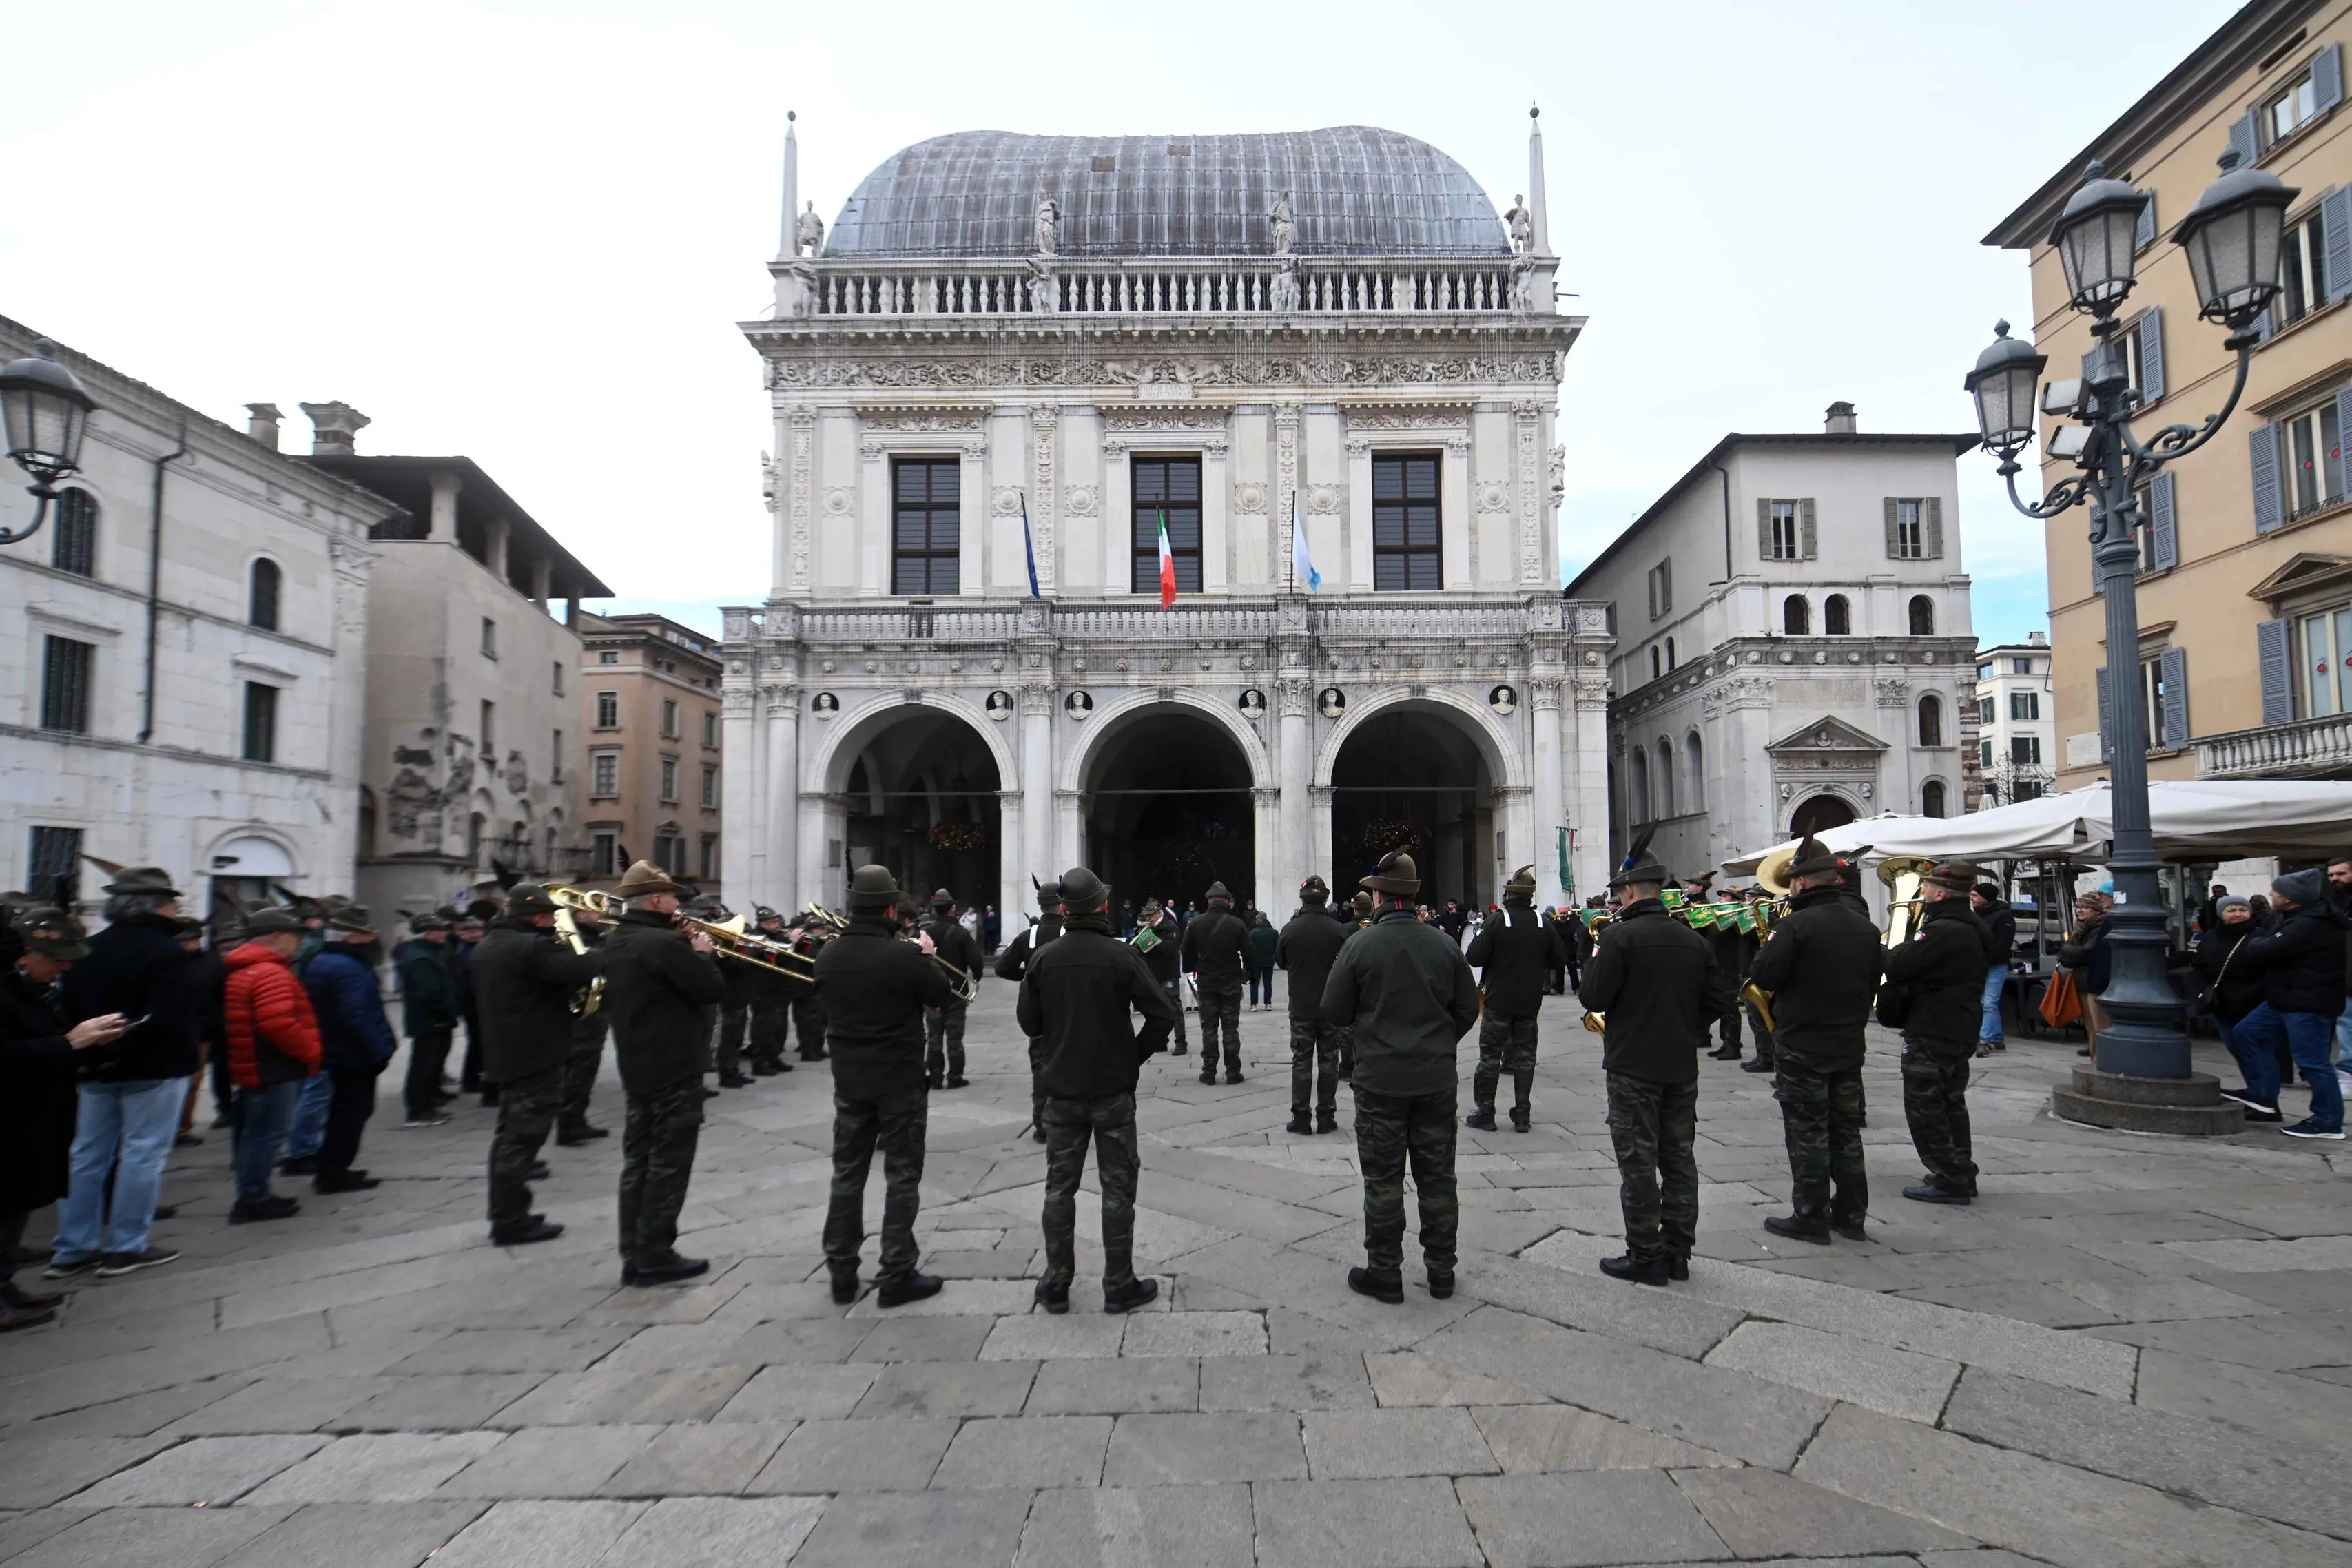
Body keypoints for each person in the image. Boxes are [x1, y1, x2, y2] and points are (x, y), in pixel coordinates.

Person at [1321, 852, 1482, 1306]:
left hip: (1380, 1083)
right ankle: (1442, 1272)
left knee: (1384, 1181)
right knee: (1438, 1178)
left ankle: (1385, 1273)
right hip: (1434, 1080)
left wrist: (1370, 1035)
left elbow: (1334, 1011)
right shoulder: (1443, 944)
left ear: (1377, 896)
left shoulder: (1360, 945)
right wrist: (1440, 1042)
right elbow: (1469, 1009)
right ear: (1411, 897)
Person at [1018, 865, 1175, 1314]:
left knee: (1058, 1188)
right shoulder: (1121, 957)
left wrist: (1057, 1040)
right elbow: (1162, 1014)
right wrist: (1133, 1055)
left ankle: (1056, 1283)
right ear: (1103, 906)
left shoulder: (1044, 958)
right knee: (1117, 1189)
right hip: (1111, 1092)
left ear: (1064, 909)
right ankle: (1118, 1284)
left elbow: (1029, 1022)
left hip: (1061, 1092)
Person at [1578, 843, 1729, 1285]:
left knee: (1638, 1163)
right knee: (1679, 1158)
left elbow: (1593, 997)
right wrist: (1685, 1025)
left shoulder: (1619, 937)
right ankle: (1678, 1252)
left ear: (1627, 893)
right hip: (1680, 1065)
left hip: (1632, 1065)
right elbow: (1720, 999)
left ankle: (1645, 1254)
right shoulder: (1693, 939)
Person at [50, 867, 198, 1281]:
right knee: (142, 1156)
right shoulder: (166, 952)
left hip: (94, 1067)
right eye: (172, 903)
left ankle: (72, 1248)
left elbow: (68, 1010)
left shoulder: (87, 948)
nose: (176, 911)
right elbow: (166, 1016)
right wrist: (122, 1047)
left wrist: (96, 1052)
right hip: (153, 1067)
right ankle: (125, 1246)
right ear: (154, 907)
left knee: (86, 1157)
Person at [817, 865, 953, 1306]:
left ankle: (840, 1270)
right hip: (900, 1082)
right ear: (891, 908)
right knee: (902, 1177)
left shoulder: (827, 956)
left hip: (850, 1082)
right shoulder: (903, 956)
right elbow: (941, 997)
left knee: (847, 1175)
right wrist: (928, 957)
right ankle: (897, 1271)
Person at [1745, 837, 1881, 1244]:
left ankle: (1810, 1216)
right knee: (1846, 1131)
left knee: (1807, 1131)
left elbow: (1764, 975)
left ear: (1801, 885)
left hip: (1803, 1042)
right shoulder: (1864, 926)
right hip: (1848, 1042)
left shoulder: (1796, 925)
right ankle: (1852, 1214)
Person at [601, 861, 726, 1284]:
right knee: (670, 1162)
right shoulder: (665, 944)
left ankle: (634, 1252)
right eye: (673, 896)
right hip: (674, 1065)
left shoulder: (619, 939)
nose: (678, 903)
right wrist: (704, 955)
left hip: (637, 1064)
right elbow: (710, 990)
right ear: (655, 899)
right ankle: (656, 1251)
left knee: (637, 1160)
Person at [3, 909, 127, 1328]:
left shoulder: (28, 989)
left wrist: (90, 1043)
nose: (64, 966)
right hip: (11, 1117)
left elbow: (46, 1040)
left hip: (33, 1115)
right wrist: (69, 1043)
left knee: (16, 1207)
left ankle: (5, 1286)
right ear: (25, 955)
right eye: (55, 958)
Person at [475, 883, 604, 1245]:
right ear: (536, 917)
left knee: (509, 1136)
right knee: (521, 1140)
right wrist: (604, 948)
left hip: (508, 1049)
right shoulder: (530, 946)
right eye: (549, 916)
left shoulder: (490, 944)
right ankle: (511, 1219)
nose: (553, 922)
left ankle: (506, 1213)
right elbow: (581, 967)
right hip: (535, 1051)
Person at [1884, 864, 1993, 1205]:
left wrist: (1888, 948)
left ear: (1941, 893)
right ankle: (1959, 1169)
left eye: (1928, 886)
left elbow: (1900, 964)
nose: (1923, 892)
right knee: (1950, 1101)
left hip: (1934, 1024)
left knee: (1925, 1103)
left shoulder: (1943, 930)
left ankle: (1950, 1177)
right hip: (1958, 1023)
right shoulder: (1971, 924)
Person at [2222, 867, 2348, 1138]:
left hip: (2307, 1001)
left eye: (2276, 892)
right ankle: (2263, 1096)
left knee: (2312, 1061)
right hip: (2285, 997)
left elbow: (2261, 950)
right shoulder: (2294, 918)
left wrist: (2257, 940)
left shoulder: (2309, 923)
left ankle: (2328, 1121)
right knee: (2247, 1033)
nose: (2271, 894)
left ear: (2291, 898)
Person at [220, 908, 323, 1223]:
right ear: (276, 937)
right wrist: (310, 1052)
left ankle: (253, 1193)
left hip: (254, 1064)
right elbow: (278, 1024)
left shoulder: (245, 969)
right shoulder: (270, 972)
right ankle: (255, 1197)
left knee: (255, 1133)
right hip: (273, 1068)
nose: (300, 944)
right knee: (268, 1135)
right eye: (296, 937)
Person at [302, 907, 396, 1193]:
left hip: (338, 1050)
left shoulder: (325, 961)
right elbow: (355, 1015)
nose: (370, 941)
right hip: (353, 1054)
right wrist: (379, 1050)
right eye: (365, 935)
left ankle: (334, 1168)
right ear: (351, 937)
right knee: (352, 1113)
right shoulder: (347, 967)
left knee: (344, 1111)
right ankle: (334, 1173)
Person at [1465, 865, 1566, 1133]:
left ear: (1509, 895)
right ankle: (1522, 1114)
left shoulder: (1498, 921)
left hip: (1498, 1002)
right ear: (1530, 896)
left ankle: (1485, 1112)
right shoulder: (1542, 923)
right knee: (1525, 1059)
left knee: (1489, 1058)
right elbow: (1559, 960)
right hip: (1529, 1004)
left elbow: (1474, 957)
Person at [1275, 876, 1351, 1135]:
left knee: (1301, 1062)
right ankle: (1327, 1117)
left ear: (1303, 899)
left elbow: (1282, 962)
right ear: (1325, 899)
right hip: (1330, 1008)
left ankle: (1301, 1117)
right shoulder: (1338, 931)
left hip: (1301, 1008)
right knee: (1329, 1061)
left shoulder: (1289, 930)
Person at [997, 880, 1068, 1138]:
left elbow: (1001, 968)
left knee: (1041, 1069)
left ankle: (1041, 1125)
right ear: (1062, 906)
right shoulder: (1071, 932)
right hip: (1067, 1012)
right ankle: (1068, 1121)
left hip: (1038, 1014)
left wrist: (1027, 976)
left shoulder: (1029, 936)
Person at [2200, 896, 2277, 1118]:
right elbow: (2202, 967)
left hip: (2251, 1002)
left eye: (2242, 909)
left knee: (2258, 1052)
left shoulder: (2260, 936)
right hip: (2222, 1003)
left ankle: (2267, 1099)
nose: (2237, 914)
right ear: (2221, 914)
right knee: (2239, 1051)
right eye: (2231, 910)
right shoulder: (2212, 937)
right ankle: (2255, 1095)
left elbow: (2268, 970)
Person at [1180, 882, 1250, 1083]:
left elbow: (1185, 951)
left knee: (1208, 1028)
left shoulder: (1195, 923)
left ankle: (1209, 1071)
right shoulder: (1236, 924)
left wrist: (1198, 964)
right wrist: (1250, 974)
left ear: (1209, 900)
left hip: (1207, 982)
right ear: (1227, 901)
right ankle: (1233, 1072)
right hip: (1230, 982)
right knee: (1230, 1028)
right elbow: (1249, 952)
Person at [557, 903, 615, 1144]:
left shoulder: (593, 937)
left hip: (595, 1012)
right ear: (579, 915)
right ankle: (569, 1124)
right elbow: (589, 965)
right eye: (595, 912)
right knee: (579, 1071)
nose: (601, 916)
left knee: (584, 1071)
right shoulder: (573, 938)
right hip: (583, 1016)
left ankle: (576, 1119)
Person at [397, 916, 460, 1128]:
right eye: (440, 931)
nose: (444, 934)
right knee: (423, 1066)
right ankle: (418, 1111)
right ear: (429, 934)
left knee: (428, 1064)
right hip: (428, 1023)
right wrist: (441, 1015)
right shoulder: (421, 959)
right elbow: (429, 994)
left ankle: (427, 1106)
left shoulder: (427, 954)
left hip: (431, 1022)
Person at [921, 888, 984, 1089]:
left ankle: (936, 1076)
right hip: (956, 991)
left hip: (932, 993)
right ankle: (955, 1076)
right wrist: (976, 978)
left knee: (934, 1036)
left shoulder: (926, 933)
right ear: (952, 910)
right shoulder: (961, 933)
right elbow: (976, 962)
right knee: (955, 1037)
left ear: (935, 910)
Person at [2057, 893, 2114, 1060]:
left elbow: (2087, 951)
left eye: (2084, 907)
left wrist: (2066, 951)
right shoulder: (2080, 927)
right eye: (2077, 907)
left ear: (2095, 910)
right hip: (2082, 981)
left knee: (2099, 1024)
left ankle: (2101, 1058)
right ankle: (2094, 1055)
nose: (2079, 910)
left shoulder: (2101, 926)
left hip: (2094, 981)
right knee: (2089, 1025)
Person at [745, 907, 798, 1078]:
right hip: (764, 989)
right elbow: (772, 960)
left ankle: (773, 1057)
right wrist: (791, 943)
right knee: (764, 1027)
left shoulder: (776, 936)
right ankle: (759, 1062)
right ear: (762, 923)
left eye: (777, 922)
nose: (778, 925)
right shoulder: (756, 938)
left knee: (777, 1027)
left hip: (780, 988)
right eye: (773, 923)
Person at [1132, 899, 1188, 1058]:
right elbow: (1140, 950)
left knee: (1174, 1008)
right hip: (1152, 974)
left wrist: (1155, 942)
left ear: (1158, 914)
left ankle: (1181, 1042)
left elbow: (1172, 949)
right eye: (1147, 916)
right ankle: (1161, 1041)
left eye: (1150, 916)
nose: (1148, 919)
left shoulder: (1171, 927)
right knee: (1157, 1010)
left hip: (1168, 973)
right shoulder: (1145, 929)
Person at [1971, 883, 2016, 1056]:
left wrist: (1986, 960)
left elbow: (2003, 945)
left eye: (1975, 896)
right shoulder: (1977, 915)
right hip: (1980, 964)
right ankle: (1996, 1039)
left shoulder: (2003, 916)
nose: (1972, 899)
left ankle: (1986, 1039)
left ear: (1986, 897)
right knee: (1986, 1002)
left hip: (1995, 965)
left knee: (1989, 1002)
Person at [453, 915, 486, 1094]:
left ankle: (472, 1079)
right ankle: (470, 1081)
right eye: (471, 932)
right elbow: (469, 981)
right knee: (476, 1043)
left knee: (478, 1043)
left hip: (474, 1003)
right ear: (462, 934)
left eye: (478, 931)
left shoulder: (472, 949)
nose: (476, 935)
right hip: (473, 1004)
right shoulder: (466, 953)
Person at [1246, 910, 1279, 1011]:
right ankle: (1268, 1004)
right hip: (1269, 960)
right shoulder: (1273, 933)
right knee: (1268, 983)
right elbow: (1277, 947)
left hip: (1256, 961)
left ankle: (1254, 1005)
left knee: (1254, 983)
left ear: (1258, 920)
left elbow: (1249, 949)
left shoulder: (1253, 933)